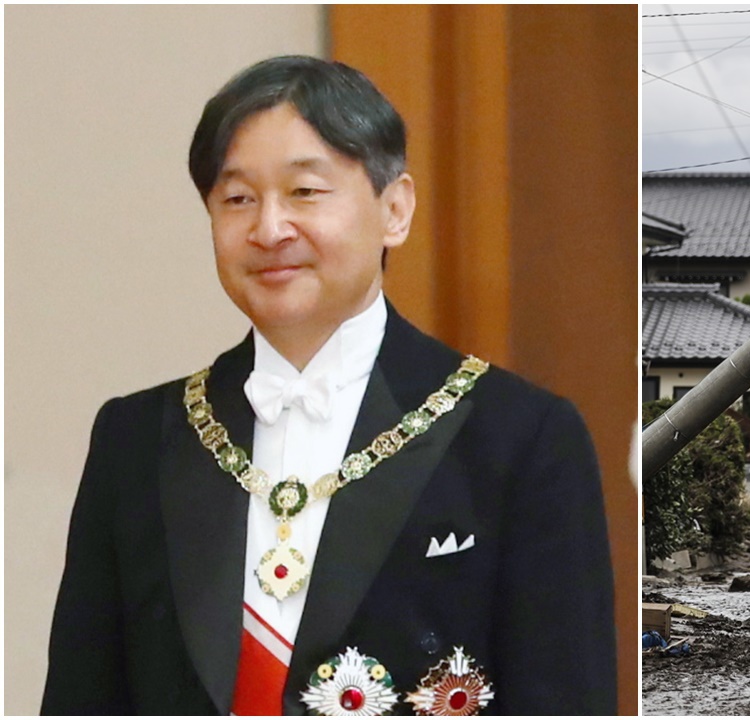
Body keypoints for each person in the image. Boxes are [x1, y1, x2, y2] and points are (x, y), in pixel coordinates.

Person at [41, 56, 616, 716]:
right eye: (237, 199)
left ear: (394, 209)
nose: (269, 228)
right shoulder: (136, 436)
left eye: (305, 193)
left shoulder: (519, 435)